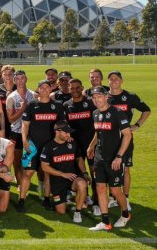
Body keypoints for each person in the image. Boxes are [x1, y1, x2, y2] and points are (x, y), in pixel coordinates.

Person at [87, 86, 133, 231]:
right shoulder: (95, 113)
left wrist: (119, 157)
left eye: (99, 96)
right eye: (94, 97)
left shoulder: (117, 113)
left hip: (114, 159)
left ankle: (125, 214)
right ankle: (105, 221)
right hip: (99, 158)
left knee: (114, 190)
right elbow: (98, 132)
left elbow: (127, 135)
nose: (96, 100)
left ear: (106, 96)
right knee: (100, 188)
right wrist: (91, 146)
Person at [106, 71, 151, 211]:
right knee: (109, 169)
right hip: (107, 139)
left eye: (116, 79)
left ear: (121, 81)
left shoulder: (130, 97)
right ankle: (113, 197)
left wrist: (136, 125)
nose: (114, 81)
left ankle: (125, 197)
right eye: (111, 79)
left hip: (125, 138)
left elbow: (146, 110)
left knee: (125, 169)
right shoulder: (104, 98)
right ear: (108, 81)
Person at [18, 80, 65, 212]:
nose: (44, 90)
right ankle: (21, 200)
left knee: (47, 174)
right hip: (32, 145)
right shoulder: (32, 105)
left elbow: (62, 125)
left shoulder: (57, 105)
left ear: (51, 89)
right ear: (38, 89)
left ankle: (46, 199)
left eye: (47, 87)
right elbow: (25, 124)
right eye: (41, 87)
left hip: (50, 147)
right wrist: (24, 141)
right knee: (28, 173)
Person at [40, 121, 88, 223]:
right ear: (57, 132)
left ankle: (77, 212)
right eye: (66, 132)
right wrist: (62, 174)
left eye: (69, 133)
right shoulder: (48, 147)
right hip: (57, 181)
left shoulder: (72, 143)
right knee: (61, 211)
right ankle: (66, 196)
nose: (68, 135)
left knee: (82, 184)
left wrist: (85, 173)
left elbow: (79, 159)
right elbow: (44, 167)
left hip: (72, 177)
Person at [63, 78, 97, 209]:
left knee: (94, 174)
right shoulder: (66, 105)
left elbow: (97, 124)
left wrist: (93, 144)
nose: (75, 90)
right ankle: (84, 198)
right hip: (75, 147)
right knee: (79, 174)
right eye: (72, 88)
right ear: (68, 89)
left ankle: (96, 200)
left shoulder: (90, 102)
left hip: (91, 145)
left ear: (82, 87)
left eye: (78, 87)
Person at [5, 70, 36, 190]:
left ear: (26, 79)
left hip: (31, 133)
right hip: (16, 133)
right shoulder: (11, 97)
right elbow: (11, 119)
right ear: (14, 81)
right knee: (17, 161)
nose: (20, 81)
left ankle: (38, 183)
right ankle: (19, 184)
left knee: (29, 161)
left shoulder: (33, 95)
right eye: (17, 79)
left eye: (22, 78)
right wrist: (23, 108)